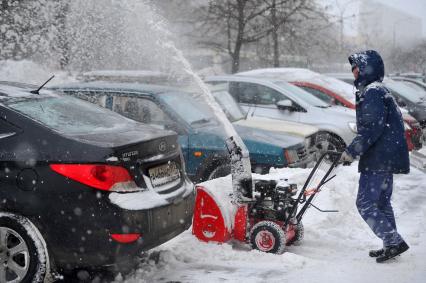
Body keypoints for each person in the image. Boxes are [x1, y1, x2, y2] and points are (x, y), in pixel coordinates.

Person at [340, 50, 410, 263]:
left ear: (366, 68)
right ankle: (391, 244)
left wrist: (351, 151)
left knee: (365, 204)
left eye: (357, 67)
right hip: (386, 156)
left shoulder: (372, 92)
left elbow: (372, 128)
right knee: (380, 202)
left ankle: (393, 240)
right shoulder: (378, 90)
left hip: (379, 158)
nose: (354, 72)